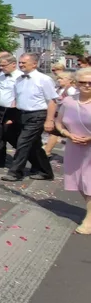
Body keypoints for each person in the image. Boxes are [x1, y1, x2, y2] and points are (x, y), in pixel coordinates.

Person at [2, 53, 56, 182]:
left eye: (23, 63)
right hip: (22, 114)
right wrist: (12, 116)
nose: (21, 65)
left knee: (23, 142)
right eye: (20, 62)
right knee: (34, 145)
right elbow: (17, 99)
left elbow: (52, 101)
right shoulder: (19, 79)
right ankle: (45, 170)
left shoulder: (43, 79)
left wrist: (49, 120)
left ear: (34, 64)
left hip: (37, 114)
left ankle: (15, 172)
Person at [54, 67, 91, 234]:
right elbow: (58, 123)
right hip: (74, 146)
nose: (87, 85)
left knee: (89, 183)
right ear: (76, 83)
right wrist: (67, 134)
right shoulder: (69, 101)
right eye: (83, 82)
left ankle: (89, 220)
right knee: (81, 184)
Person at [0, 55, 21, 168]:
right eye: (0, 65)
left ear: (13, 64)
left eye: (4, 65)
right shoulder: (1, 76)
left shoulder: (20, 77)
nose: (1, 68)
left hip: (13, 110)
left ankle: (22, 159)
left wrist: (14, 115)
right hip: (1, 109)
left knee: (13, 136)